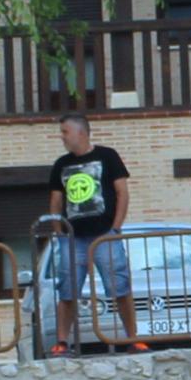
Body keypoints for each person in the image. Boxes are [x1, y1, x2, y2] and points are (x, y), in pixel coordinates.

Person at [46, 111, 141, 355]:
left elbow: (122, 193)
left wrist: (115, 228)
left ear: (81, 132)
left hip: (105, 236)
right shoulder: (61, 165)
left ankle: (134, 339)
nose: (62, 137)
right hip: (73, 238)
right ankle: (62, 342)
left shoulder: (107, 156)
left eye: (65, 132)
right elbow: (56, 201)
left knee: (119, 288)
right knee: (67, 290)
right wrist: (59, 233)